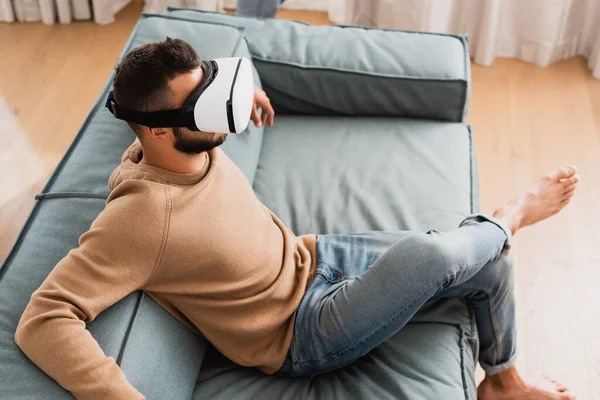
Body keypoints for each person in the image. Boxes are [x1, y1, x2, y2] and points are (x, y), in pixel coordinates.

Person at [15, 38, 579, 400]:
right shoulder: (139, 220)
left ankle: (503, 381)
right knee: (437, 253)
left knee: (491, 258)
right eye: (204, 102)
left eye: (212, 83)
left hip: (312, 256)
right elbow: (43, 318)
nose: (221, 107)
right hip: (302, 331)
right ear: (160, 129)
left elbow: (161, 110)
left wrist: (241, 95)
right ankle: (512, 213)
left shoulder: (180, 139)